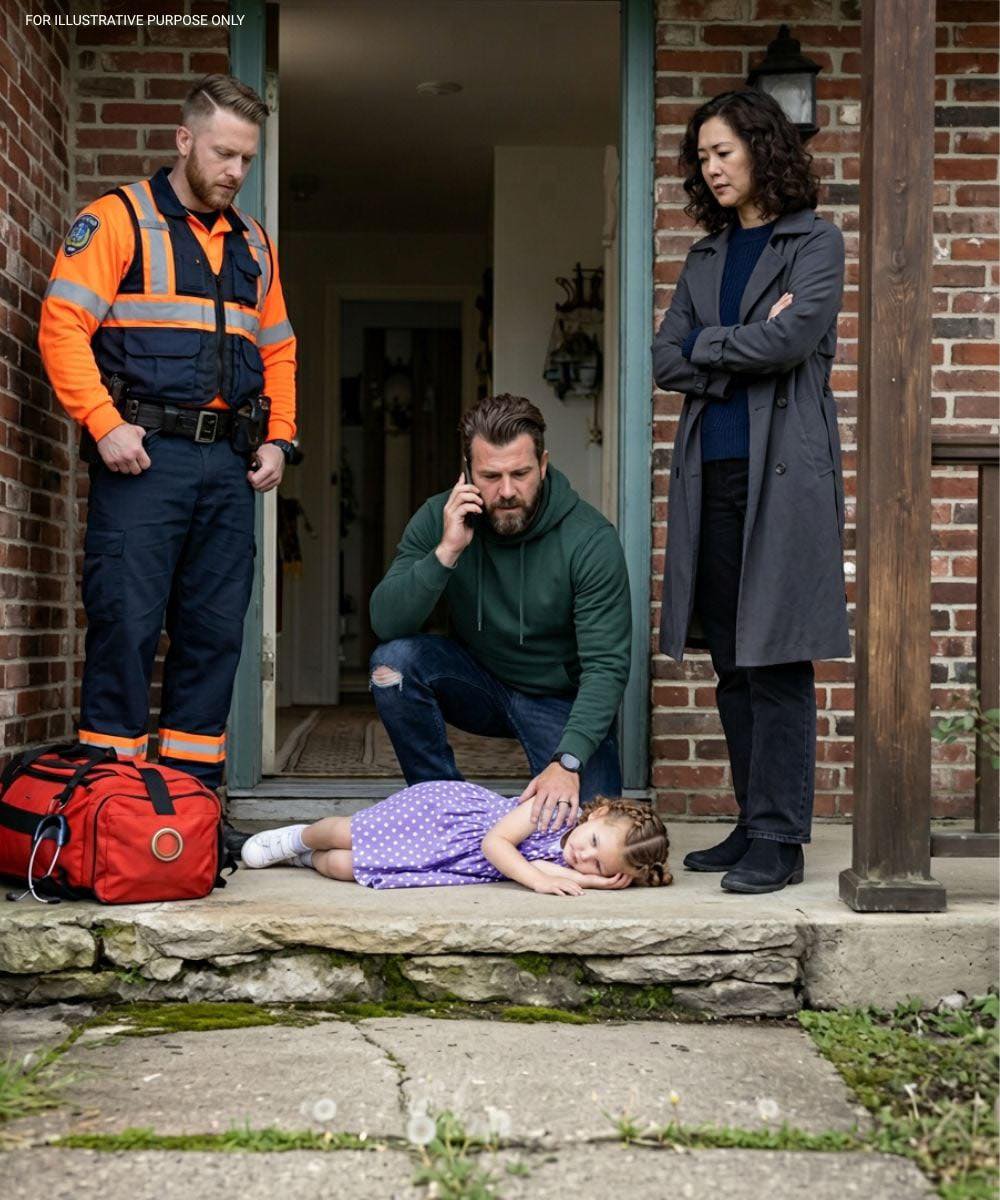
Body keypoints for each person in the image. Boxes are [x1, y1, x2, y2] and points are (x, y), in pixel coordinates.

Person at [39, 76, 297, 857]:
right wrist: (104, 424)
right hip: (141, 464)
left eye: (247, 159)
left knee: (215, 637)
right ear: (184, 141)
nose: (235, 171)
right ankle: (110, 827)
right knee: (124, 628)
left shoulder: (254, 243)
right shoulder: (116, 220)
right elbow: (61, 326)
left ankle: (188, 824)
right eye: (224, 153)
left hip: (227, 467)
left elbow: (278, 348)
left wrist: (281, 438)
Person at [652, 90, 849, 894]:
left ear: (763, 150)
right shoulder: (705, 259)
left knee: (777, 661)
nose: (711, 167)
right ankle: (750, 821)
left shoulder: (815, 242)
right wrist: (737, 342)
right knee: (732, 660)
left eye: (723, 151)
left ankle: (781, 837)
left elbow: (794, 336)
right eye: (702, 157)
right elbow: (667, 359)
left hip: (785, 479)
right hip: (713, 476)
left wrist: (713, 344)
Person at [368, 393, 632, 835]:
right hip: (482, 682)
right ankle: (445, 814)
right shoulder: (442, 517)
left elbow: (606, 667)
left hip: (558, 699)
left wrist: (568, 761)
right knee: (393, 664)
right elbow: (387, 623)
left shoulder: (590, 539)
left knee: (592, 838)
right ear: (468, 472)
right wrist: (447, 551)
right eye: (491, 476)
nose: (507, 491)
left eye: (521, 474)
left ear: (543, 465)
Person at [240, 787, 671, 893]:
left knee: (341, 867)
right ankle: (297, 838)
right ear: (595, 814)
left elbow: (542, 867)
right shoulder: (551, 813)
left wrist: (591, 883)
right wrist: (539, 883)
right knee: (344, 832)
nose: (584, 856)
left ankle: (304, 861)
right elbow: (497, 846)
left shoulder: (574, 865)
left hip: (447, 861)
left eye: (598, 865)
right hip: (439, 821)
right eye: (593, 841)